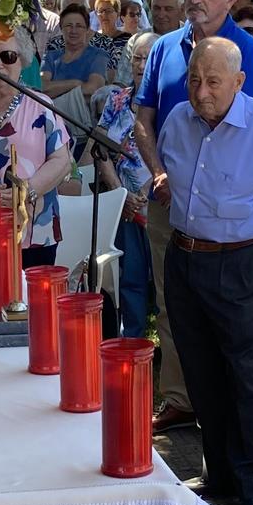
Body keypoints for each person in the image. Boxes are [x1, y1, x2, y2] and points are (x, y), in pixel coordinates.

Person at [156, 36, 253, 505]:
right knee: (200, 372)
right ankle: (218, 473)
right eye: (195, 80)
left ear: (239, 83)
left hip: (241, 261)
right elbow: (175, 181)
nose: (202, 92)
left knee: (243, 375)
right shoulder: (177, 120)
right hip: (185, 258)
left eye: (214, 82)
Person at [134, 0, 253, 431]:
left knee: (221, 313)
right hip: (168, 200)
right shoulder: (163, 49)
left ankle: (222, 405)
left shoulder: (244, 52)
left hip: (224, 214)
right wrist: (157, 172)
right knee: (172, 305)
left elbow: (252, 131)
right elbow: (142, 118)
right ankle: (180, 397)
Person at [0, 24, 73, 267]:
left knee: (33, 302)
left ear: (22, 61)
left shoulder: (41, 105)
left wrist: (27, 190)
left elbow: (62, 160)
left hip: (35, 231)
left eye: (8, 56)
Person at [96, 32, 160, 337]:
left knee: (164, 279)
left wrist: (146, 192)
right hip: (124, 203)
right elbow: (101, 148)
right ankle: (133, 342)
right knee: (131, 275)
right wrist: (120, 192)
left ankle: (170, 346)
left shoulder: (169, 102)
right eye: (137, 56)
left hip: (161, 202)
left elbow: (175, 154)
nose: (141, 63)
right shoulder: (117, 99)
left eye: (149, 58)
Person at [44, 2, 113, 109]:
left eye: (79, 26)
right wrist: (75, 83)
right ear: (61, 28)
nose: (73, 31)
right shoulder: (51, 57)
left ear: (87, 29)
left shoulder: (98, 56)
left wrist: (55, 89)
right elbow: (42, 88)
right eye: (69, 26)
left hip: (82, 120)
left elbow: (92, 89)